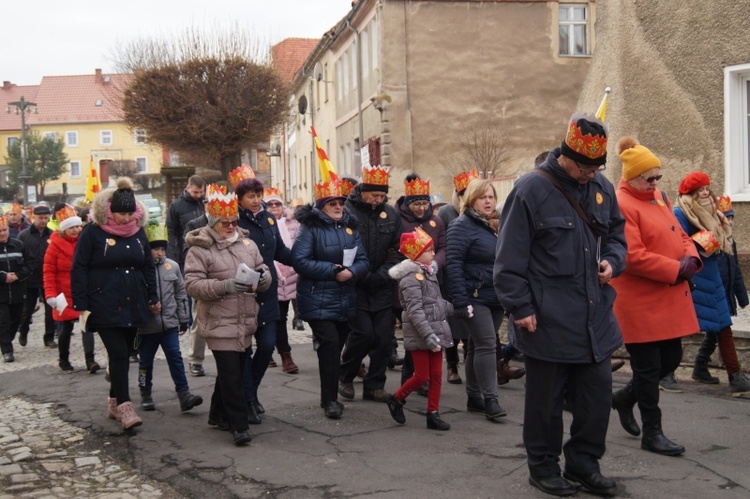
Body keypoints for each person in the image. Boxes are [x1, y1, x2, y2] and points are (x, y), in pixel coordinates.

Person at [494, 114, 626, 497]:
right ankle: (544, 467)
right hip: (547, 318)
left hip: (594, 317)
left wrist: (613, 261)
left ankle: (585, 465)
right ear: (566, 155)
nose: (589, 174)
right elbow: (508, 262)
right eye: (583, 167)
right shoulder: (530, 190)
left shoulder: (601, 186)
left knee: (595, 400)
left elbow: (617, 235)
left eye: (595, 168)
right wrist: (520, 308)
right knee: (545, 404)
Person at [609, 137, 700, 457]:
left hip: (667, 294)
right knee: (648, 369)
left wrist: (691, 258)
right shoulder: (621, 202)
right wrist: (676, 269)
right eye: (650, 178)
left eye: (658, 177)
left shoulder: (658, 196)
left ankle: (623, 398)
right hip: (640, 301)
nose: (656, 183)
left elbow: (682, 234)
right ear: (632, 176)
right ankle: (653, 431)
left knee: (672, 359)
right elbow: (632, 255)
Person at [184, 185, 270, 446]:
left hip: (244, 320)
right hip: (219, 321)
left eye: (234, 221)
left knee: (231, 370)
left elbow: (261, 268)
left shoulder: (247, 243)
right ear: (213, 222)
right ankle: (239, 426)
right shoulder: (199, 249)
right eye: (225, 222)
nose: (231, 226)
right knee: (232, 375)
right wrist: (225, 286)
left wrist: (264, 277)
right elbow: (192, 285)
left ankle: (217, 414)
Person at [71, 177, 158, 430]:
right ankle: (125, 406)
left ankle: (113, 400)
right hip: (103, 300)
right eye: (121, 214)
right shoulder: (93, 232)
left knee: (126, 352)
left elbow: (147, 265)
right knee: (119, 353)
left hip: (134, 300)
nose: (125, 219)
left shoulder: (138, 232)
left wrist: (152, 295)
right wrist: (81, 301)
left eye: (130, 213)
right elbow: (79, 267)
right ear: (109, 211)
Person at [293, 178, 368, 419]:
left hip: (345, 298)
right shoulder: (310, 228)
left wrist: (353, 272)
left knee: (337, 348)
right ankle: (330, 400)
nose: (338, 207)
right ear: (322, 205)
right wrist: (333, 271)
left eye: (341, 203)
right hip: (317, 298)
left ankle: (335, 387)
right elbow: (300, 261)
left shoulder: (350, 227)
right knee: (330, 346)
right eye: (332, 203)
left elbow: (363, 260)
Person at [673, 172, 750, 397]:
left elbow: (725, 245)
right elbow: (678, 242)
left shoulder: (714, 211)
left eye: (707, 188)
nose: (706, 193)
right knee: (680, 326)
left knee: (723, 324)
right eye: (701, 189)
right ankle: (666, 374)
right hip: (692, 275)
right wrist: (703, 242)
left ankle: (735, 376)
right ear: (691, 192)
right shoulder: (680, 212)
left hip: (713, 274)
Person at [387, 228, 469, 430]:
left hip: (435, 331)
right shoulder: (410, 278)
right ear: (416, 253)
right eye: (429, 250)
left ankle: (433, 412)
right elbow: (415, 311)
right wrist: (428, 334)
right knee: (421, 376)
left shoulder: (429, 274)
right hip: (421, 334)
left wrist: (458, 310)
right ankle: (397, 399)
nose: (434, 253)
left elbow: (437, 303)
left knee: (436, 375)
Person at [232, 165, 293, 424]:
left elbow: (279, 250)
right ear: (239, 198)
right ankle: (247, 401)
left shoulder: (268, 218)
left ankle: (251, 393)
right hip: (243, 293)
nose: (256, 200)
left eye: (259, 194)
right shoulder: (233, 220)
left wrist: (304, 260)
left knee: (267, 346)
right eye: (251, 196)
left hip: (267, 292)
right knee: (244, 351)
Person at [338, 165, 403, 403]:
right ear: (363, 191)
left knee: (384, 339)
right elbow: (344, 249)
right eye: (374, 195)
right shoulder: (347, 211)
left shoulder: (391, 215)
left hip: (382, 286)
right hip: (356, 285)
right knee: (363, 334)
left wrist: (382, 275)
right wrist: (363, 274)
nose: (378, 200)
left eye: (382, 196)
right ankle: (345, 375)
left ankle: (375, 385)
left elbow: (397, 251)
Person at [446, 178, 507, 421]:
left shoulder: (493, 226)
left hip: (496, 296)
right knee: (487, 344)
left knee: (475, 345)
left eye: (491, 197)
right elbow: (453, 265)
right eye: (483, 197)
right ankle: (491, 399)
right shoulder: (461, 226)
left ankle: (473, 397)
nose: (489, 201)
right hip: (474, 297)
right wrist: (460, 301)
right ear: (471, 200)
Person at [137, 221, 203, 413]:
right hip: (147, 326)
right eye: (155, 249)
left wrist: (184, 319)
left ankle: (184, 393)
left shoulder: (172, 267)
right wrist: (146, 308)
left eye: (162, 249)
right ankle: (145, 392)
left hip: (170, 325)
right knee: (145, 361)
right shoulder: (141, 269)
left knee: (175, 357)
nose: (160, 253)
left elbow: (181, 295)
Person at [393, 174, 446, 391]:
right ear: (407, 203)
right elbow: (393, 248)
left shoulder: (437, 221)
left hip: (431, 279)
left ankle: (414, 376)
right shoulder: (398, 220)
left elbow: (444, 247)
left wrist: (435, 263)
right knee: (415, 327)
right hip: (408, 280)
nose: (421, 208)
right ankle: (413, 376)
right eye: (416, 204)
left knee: (425, 327)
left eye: (425, 203)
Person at [689, 195, 749, 384]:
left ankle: (701, 366)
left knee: (717, 332)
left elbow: (736, 270)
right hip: (713, 293)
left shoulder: (730, 240)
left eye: (731, 218)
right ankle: (693, 367)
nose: (729, 221)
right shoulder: (710, 237)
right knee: (717, 331)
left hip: (724, 295)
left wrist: (742, 297)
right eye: (726, 217)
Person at [43, 205, 96, 372]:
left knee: (86, 324)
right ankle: (64, 359)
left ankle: (90, 360)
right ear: (64, 229)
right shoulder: (54, 245)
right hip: (63, 293)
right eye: (71, 227)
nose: (75, 230)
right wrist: (50, 294)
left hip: (82, 290)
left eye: (77, 226)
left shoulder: (84, 241)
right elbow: (49, 271)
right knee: (66, 326)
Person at [437, 170, 478, 385]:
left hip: (473, 277)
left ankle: (470, 364)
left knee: (472, 323)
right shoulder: (445, 213)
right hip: (450, 276)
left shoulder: (479, 214)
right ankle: (452, 365)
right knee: (451, 324)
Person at [265, 187, 300, 374]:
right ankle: (275, 352)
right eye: (269, 204)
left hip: (291, 275)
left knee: (282, 316)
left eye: (277, 203)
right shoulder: (263, 223)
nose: (274, 207)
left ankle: (282, 353)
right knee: (272, 318)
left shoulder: (293, 224)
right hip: (271, 275)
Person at [17, 205, 56, 348]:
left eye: (46, 218)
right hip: (30, 277)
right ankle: (23, 331)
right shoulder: (24, 235)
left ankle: (49, 337)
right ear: (34, 217)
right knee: (28, 309)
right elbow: (20, 257)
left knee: (50, 309)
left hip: (48, 276)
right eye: (40, 218)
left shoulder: (52, 234)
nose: (43, 221)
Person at [0, 215, 32, 363]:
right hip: (1, 293)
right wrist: (3, 277)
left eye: (4, 230)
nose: (2, 233)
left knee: (16, 319)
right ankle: (7, 350)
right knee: (4, 321)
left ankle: (6, 340)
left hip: (18, 291)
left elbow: (30, 264)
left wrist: (17, 275)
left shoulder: (19, 245)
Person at [166, 175, 205, 269]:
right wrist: (171, 256)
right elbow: (170, 231)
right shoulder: (176, 206)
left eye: (201, 192)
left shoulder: (207, 203)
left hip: (205, 253)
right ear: (188, 188)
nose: (199, 195)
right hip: (185, 255)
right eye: (195, 192)